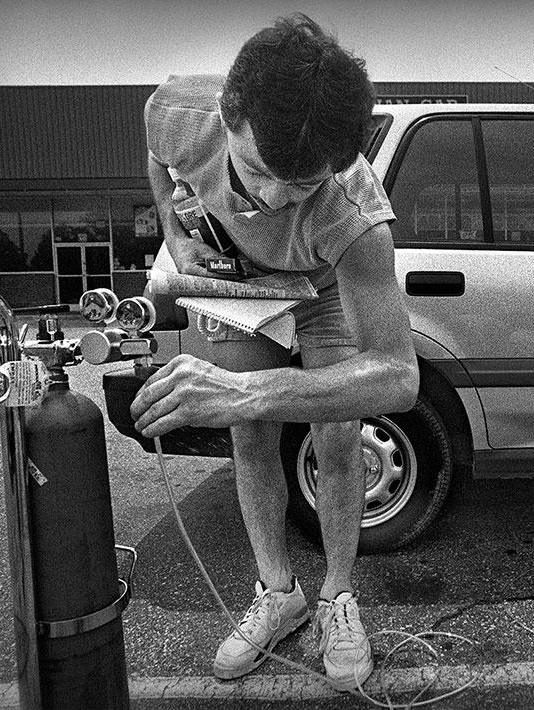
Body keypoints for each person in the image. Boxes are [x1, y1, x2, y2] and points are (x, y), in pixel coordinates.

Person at [132, 14, 419, 690]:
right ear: (226, 116)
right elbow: (157, 159)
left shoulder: (353, 215)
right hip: (234, 281)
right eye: (260, 172)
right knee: (251, 434)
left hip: (320, 289)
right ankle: (279, 593)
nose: (276, 197)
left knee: (338, 433)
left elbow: (397, 376)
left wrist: (250, 388)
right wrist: (175, 233)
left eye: (303, 185)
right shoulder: (176, 109)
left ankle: (338, 597)